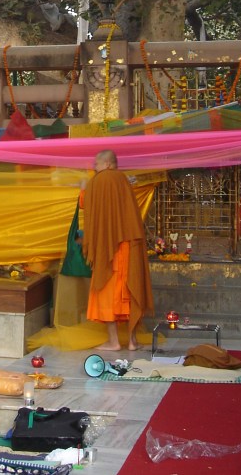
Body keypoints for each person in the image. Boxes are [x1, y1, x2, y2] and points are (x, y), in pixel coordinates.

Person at [80, 149, 153, 351]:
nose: (94, 167)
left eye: (97, 163)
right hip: (128, 245)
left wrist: (83, 189)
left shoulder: (96, 182)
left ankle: (113, 342)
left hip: (107, 248)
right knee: (129, 290)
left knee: (106, 292)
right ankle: (132, 341)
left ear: (108, 164)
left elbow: (86, 206)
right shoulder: (123, 180)